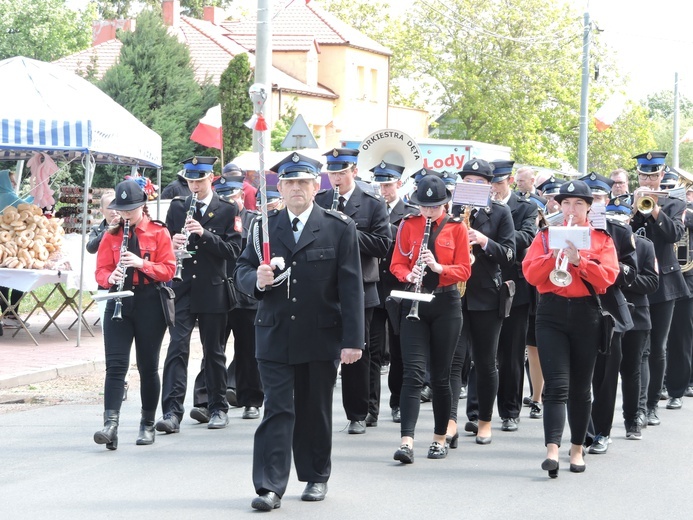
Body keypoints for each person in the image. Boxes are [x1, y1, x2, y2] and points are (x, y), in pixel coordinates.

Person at [234, 152, 364, 511]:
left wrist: (353, 341)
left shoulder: (338, 227)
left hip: (320, 334)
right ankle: (270, 486)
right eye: (289, 182)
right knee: (277, 409)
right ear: (280, 186)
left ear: (315, 185)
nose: (296, 189)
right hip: (274, 332)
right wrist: (255, 281)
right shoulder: (263, 226)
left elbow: (351, 288)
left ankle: (316, 476)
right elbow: (241, 271)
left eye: (303, 182)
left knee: (314, 409)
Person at [523, 180, 619, 477]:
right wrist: (553, 256)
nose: (571, 209)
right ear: (558, 206)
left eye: (578, 204)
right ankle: (552, 448)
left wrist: (580, 261)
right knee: (557, 384)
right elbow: (530, 274)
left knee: (580, 387)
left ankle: (576, 448)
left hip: (586, 314)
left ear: (589, 207)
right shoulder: (545, 236)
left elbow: (607, 278)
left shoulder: (601, 238)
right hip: (550, 312)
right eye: (566, 203)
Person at [155, 156, 242, 433]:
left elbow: (233, 251)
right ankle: (171, 411)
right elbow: (164, 246)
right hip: (182, 289)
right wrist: (172, 242)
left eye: (199, 180)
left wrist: (204, 234)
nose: (194, 186)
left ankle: (217, 407)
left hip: (212, 288)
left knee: (213, 351)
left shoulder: (228, 209)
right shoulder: (178, 207)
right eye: (190, 180)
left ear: (211, 177)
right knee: (176, 348)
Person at [389, 174, 471, 463]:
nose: (428, 212)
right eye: (424, 207)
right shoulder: (407, 225)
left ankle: (439, 438)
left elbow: (464, 270)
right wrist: (408, 274)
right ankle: (407, 441)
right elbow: (397, 263)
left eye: (434, 207)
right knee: (412, 373)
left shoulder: (456, 228)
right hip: (415, 301)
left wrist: (438, 266)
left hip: (446, 302)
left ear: (444, 204)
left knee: (440, 375)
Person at [93, 180, 176, 449]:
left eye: (131, 209)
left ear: (143, 206)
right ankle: (110, 424)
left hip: (150, 301)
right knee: (115, 366)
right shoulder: (111, 235)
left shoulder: (158, 232)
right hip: (119, 300)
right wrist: (111, 277)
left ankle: (147, 422)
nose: (125, 215)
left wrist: (142, 264)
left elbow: (169, 270)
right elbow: (100, 272)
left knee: (148, 366)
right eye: (122, 209)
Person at [315, 148, 392, 434]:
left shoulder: (372, 203)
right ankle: (317, 409)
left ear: (354, 172)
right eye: (332, 173)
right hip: (325, 286)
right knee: (323, 349)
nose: (336, 178)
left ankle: (358, 413)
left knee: (358, 351)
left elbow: (383, 245)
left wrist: (346, 229)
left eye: (342, 173)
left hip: (361, 286)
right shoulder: (320, 200)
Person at [448, 159, 515, 446]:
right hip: (453, 294)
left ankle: (485, 420)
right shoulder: (450, 210)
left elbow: (510, 254)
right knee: (452, 362)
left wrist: (484, 241)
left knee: (486, 361)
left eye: (479, 182)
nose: (473, 186)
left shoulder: (500, 213)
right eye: (468, 181)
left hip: (486, 296)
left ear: (489, 186)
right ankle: (448, 421)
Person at [580, 172, 637, 454]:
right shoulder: (564, 228)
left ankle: (601, 432)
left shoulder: (619, 230)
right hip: (571, 308)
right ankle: (582, 432)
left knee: (604, 378)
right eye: (588, 198)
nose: (594, 204)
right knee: (577, 376)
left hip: (608, 311)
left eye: (599, 198)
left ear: (607, 200)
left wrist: (604, 268)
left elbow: (631, 272)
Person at [630, 151, 689, 427]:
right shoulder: (626, 201)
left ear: (662, 175)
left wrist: (653, 208)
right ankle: (638, 407)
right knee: (638, 349)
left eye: (653, 175)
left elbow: (674, 234)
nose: (649, 179)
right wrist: (631, 211)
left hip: (664, 283)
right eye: (644, 175)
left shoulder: (674, 203)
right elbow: (620, 236)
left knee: (657, 348)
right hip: (637, 283)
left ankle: (652, 405)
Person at [490, 160, 538, 432]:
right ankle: (477, 411)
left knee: (510, 353)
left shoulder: (526, 206)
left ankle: (510, 411)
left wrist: (495, 239)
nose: (494, 188)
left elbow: (527, 236)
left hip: (514, 284)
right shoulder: (480, 205)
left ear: (508, 180)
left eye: (498, 182)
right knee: (482, 354)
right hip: (483, 285)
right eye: (491, 182)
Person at [370, 161, 419, 424]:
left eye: (388, 184)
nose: (383, 189)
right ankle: (371, 407)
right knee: (373, 349)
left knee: (400, 350)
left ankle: (398, 401)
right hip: (376, 287)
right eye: (380, 184)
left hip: (400, 288)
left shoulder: (409, 212)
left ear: (399, 184)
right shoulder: (371, 207)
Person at [608, 196, 658, 440]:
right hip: (608, 316)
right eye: (611, 216)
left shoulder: (644, 245)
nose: (616, 221)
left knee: (632, 370)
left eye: (620, 216)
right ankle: (598, 427)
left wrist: (622, 276)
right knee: (604, 373)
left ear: (628, 218)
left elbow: (652, 282)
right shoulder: (600, 243)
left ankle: (633, 418)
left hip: (636, 314)